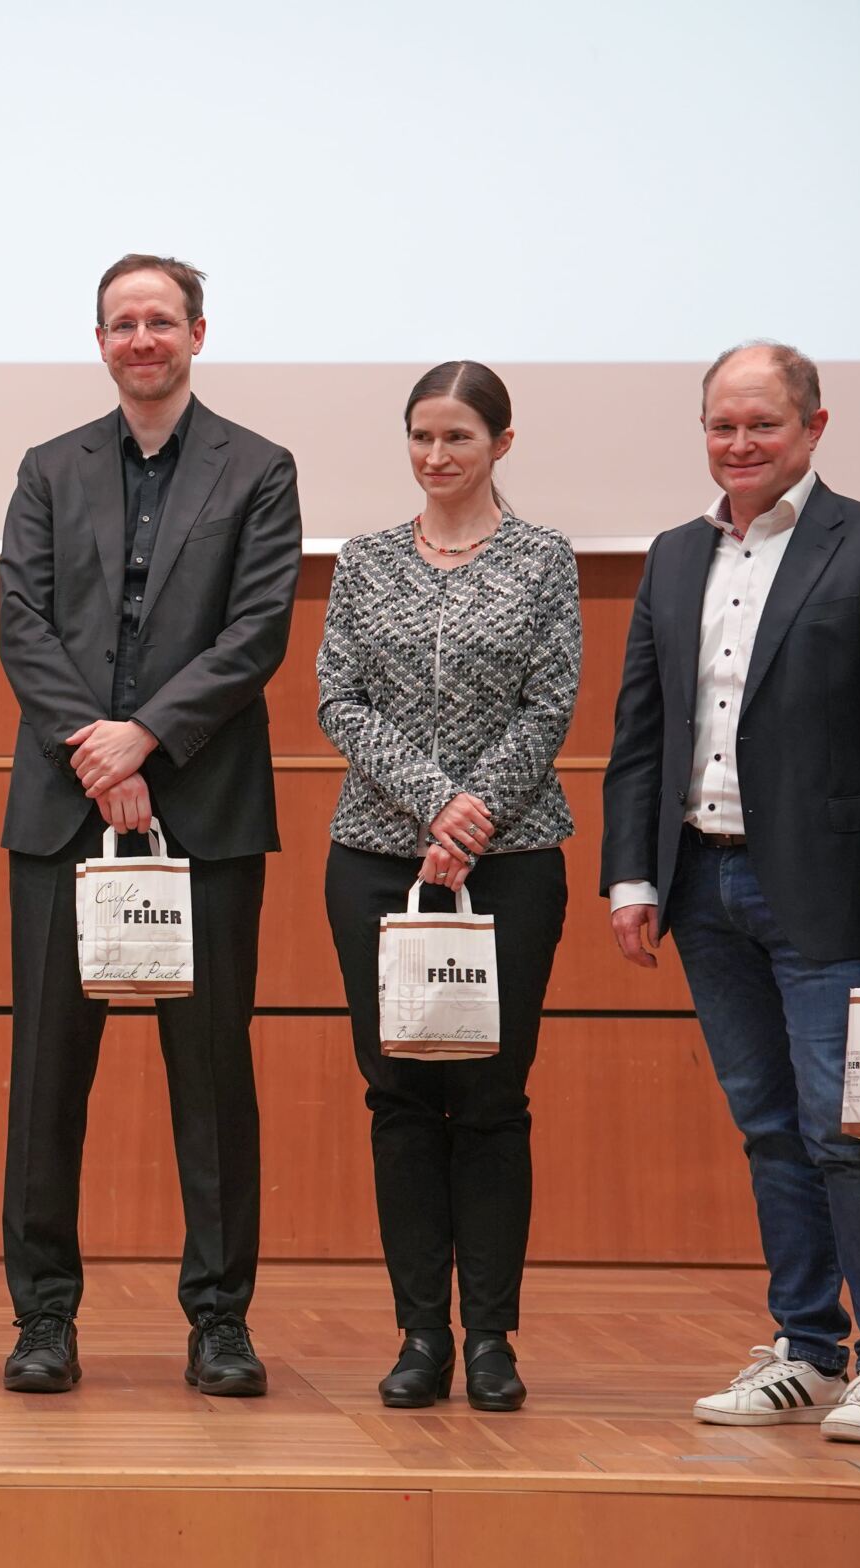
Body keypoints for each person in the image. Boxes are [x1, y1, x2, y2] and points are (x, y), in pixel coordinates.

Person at [602, 341, 860, 1444]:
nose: (739, 444)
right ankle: (804, 1346)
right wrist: (631, 874)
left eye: (761, 424)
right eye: (721, 425)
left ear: (812, 426)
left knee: (846, 1128)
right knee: (766, 1126)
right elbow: (641, 732)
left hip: (827, 888)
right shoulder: (670, 556)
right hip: (700, 882)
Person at [0, 253, 301, 1396]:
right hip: (62, 810)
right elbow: (21, 623)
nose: (140, 338)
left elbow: (256, 630)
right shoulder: (47, 467)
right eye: (121, 322)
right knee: (45, 1076)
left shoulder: (258, 468)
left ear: (197, 333)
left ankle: (218, 1320)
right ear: (100, 340)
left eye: (159, 320)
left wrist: (149, 740)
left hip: (206, 810)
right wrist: (97, 747)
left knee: (210, 1077)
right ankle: (43, 1317)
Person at [315, 361, 578, 1411]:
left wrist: (474, 816)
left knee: (491, 1099)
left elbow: (549, 702)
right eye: (421, 436)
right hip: (375, 859)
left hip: (510, 863)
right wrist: (435, 803)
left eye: (459, 437)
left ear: (500, 444)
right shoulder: (365, 559)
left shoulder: (544, 559)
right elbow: (338, 697)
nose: (436, 456)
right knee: (398, 1096)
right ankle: (420, 1331)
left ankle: (493, 1338)